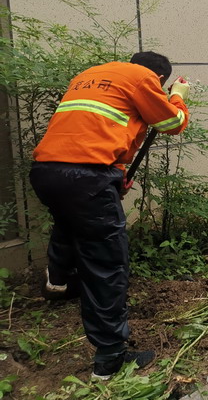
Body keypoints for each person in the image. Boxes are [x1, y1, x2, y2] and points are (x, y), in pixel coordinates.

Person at [29, 51, 190, 379]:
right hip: (87, 177)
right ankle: (110, 359)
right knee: (106, 265)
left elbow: (91, 133)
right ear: (158, 79)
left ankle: (58, 280)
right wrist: (177, 96)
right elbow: (172, 123)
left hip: (46, 172)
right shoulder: (144, 79)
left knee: (68, 221)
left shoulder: (89, 75)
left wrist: (115, 176)